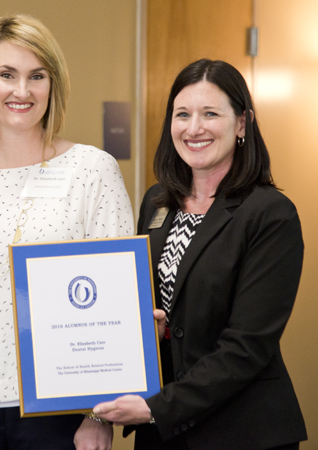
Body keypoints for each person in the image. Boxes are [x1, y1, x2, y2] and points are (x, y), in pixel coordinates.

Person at [0, 14, 134, 450]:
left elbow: (116, 305)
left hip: (57, 413)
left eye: (37, 76)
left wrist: (97, 416)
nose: (22, 91)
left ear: (54, 85)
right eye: (7, 74)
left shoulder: (92, 171)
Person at [92, 59, 307, 450]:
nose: (194, 128)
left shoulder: (270, 213)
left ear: (242, 123)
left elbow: (247, 346)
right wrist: (146, 331)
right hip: (164, 434)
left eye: (210, 113)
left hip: (241, 431)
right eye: (183, 114)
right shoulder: (157, 202)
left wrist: (158, 406)